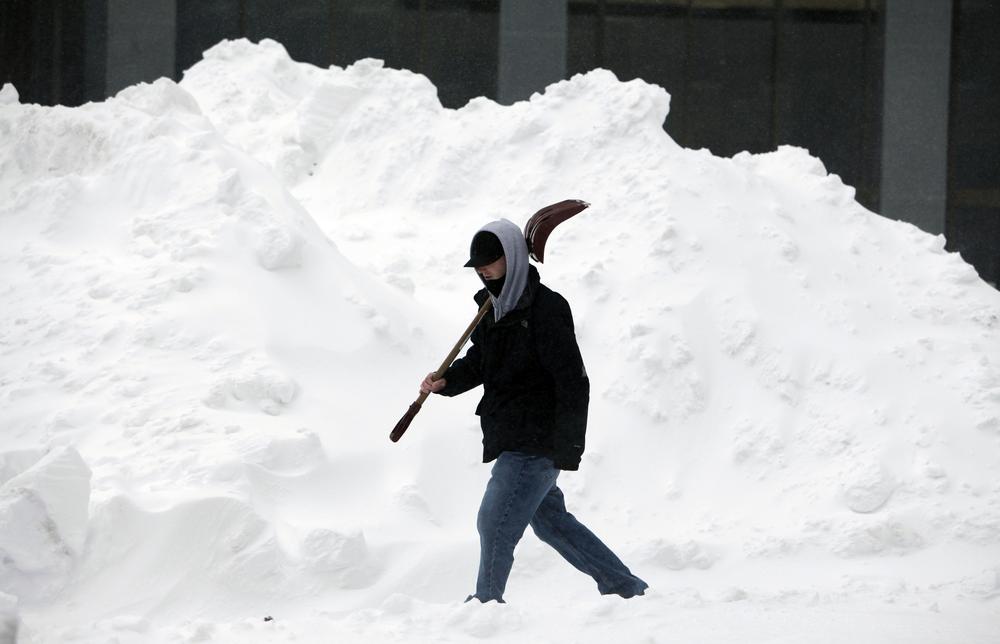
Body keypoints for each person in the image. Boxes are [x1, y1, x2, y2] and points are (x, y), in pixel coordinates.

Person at [420, 218, 648, 603]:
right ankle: (626, 588)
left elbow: (573, 380)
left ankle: (485, 605)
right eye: (477, 265)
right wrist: (448, 381)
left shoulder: (547, 309)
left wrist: (569, 446)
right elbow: (480, 360)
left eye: (490, 262)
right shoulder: (492, 308)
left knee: (494, 521)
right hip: (509, 430)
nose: (482, 270)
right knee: (552, 523)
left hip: (537, 438)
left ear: (512, 258)